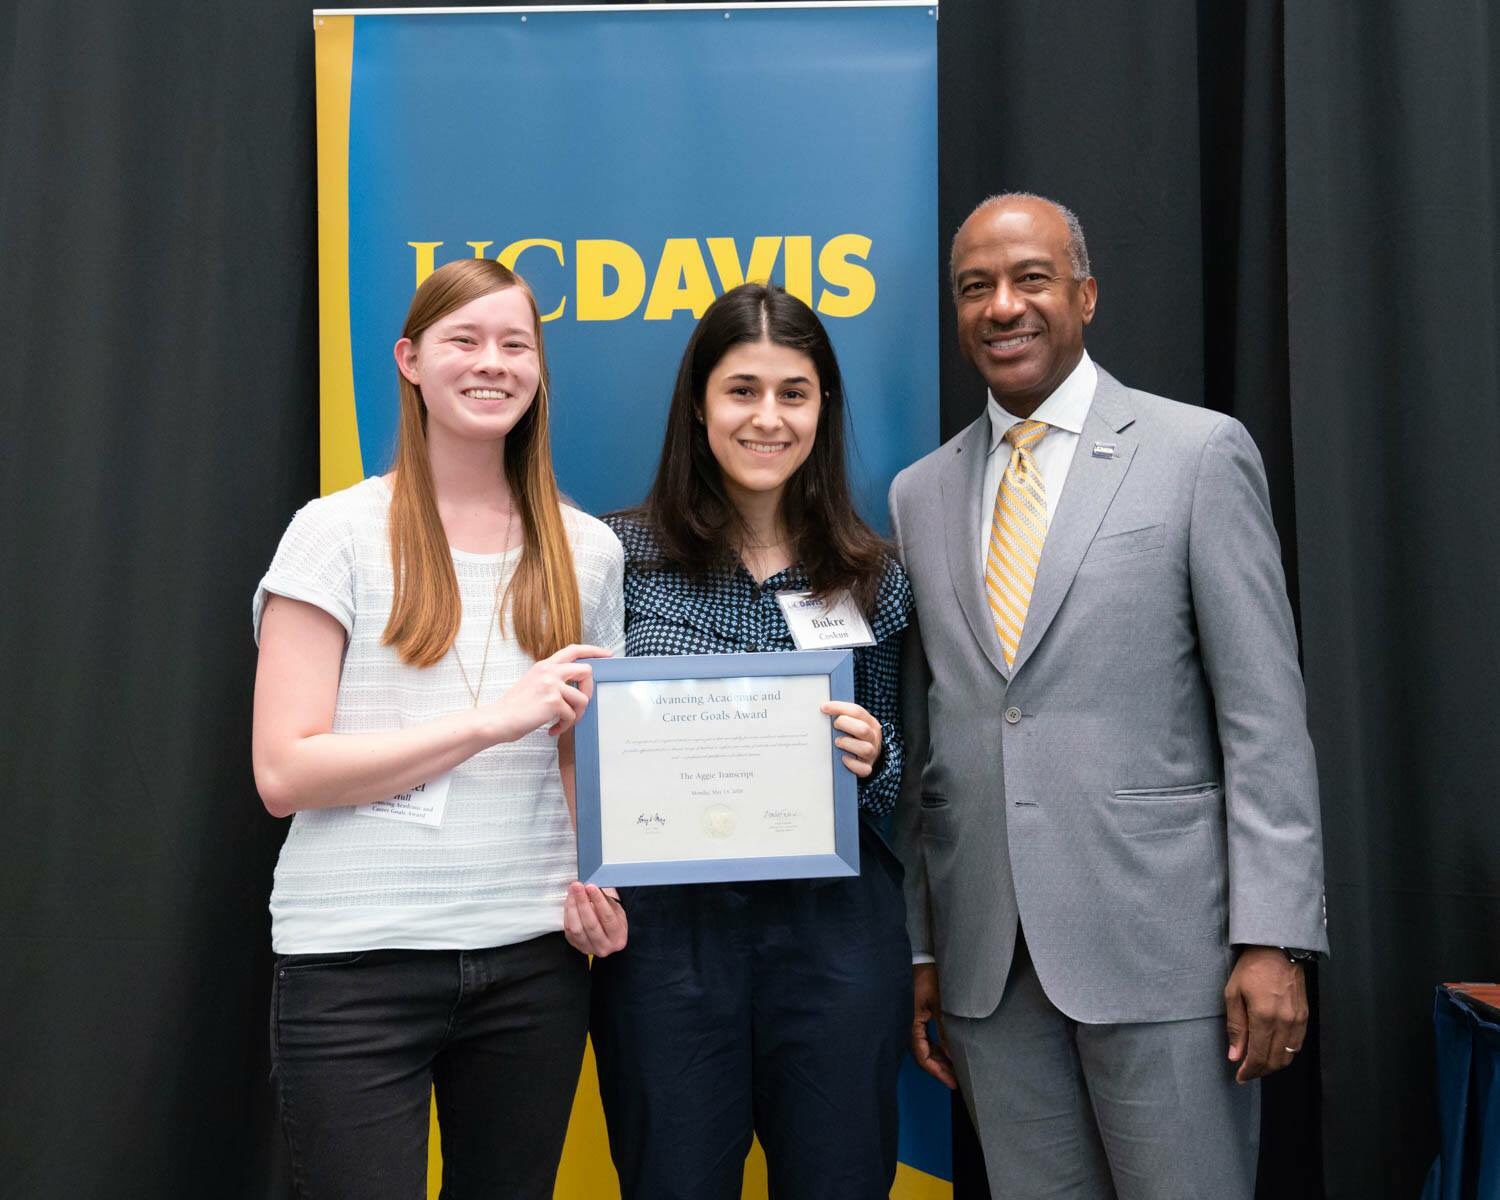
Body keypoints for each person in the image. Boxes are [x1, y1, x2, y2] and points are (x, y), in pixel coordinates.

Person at [890, 193, 1328, 1199]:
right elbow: (935, 737)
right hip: (989, 971)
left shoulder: (1196, 455)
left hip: (1166, 955)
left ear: (1083, 295)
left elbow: (1264, 718)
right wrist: (924, 942)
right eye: (975, 288)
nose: (1003, 306)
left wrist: (1274, 936)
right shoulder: (919, 493)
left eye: (1030, 279)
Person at [251, 258, 628, 1199]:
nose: (490, 363)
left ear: (539, 368)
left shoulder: (588, 550)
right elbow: (284, 770)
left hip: (535, 962)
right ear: (411, 360)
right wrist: (491, 721)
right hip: (354, 964)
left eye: (515, 343)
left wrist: (608, 874)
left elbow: (590, 752)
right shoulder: (332, 533)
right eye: (464, 340)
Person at [589, 283, 914, 1200]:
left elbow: (898, 788)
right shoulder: (616, 558)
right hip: (667, 942)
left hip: (836, 933)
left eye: (794, 393)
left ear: (823, 409)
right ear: (699, 404)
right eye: (742, 390)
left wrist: (872, 754)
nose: (767, 418)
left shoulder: (877, 575)